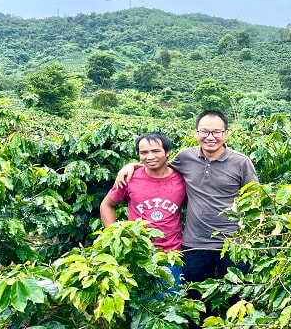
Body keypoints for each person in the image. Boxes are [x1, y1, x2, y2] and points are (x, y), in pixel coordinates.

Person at [115, 110, 258, 319]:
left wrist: (252, 234)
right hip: (195, 245)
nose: (210, 137)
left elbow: (256, 198)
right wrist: (131, 166)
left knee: (238, 301)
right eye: (205, 131)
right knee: (194, 302)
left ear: (226, 134)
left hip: (234, 244)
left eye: (216, 132)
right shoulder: (186, 157)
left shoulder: (241, 162)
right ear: (196, 132)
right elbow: (158, 165)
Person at [101, 132, 186, 289]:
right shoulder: (129, 178)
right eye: (144, 152)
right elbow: (106, 205)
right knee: (140, 306)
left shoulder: (182, 179)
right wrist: (114, 236)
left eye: (155, 151)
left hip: (172, 255)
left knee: (171, 306)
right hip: (137, 255)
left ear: (167, 153)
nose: (150, 156)